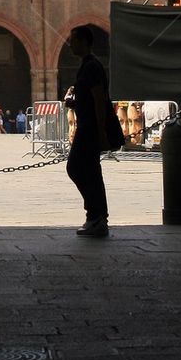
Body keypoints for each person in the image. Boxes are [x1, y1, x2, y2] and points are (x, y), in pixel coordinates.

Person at [64, 24, 122, 239]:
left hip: (90, 129)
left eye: (74, 40)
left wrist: (101, 131)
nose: (70, 44)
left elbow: (99, 100)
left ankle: (97, 217)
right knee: (88, 171)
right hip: (87, 126)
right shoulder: (87, 65)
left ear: (84, 42)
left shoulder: (91, 66)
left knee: (77, 168)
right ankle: (97, 217)